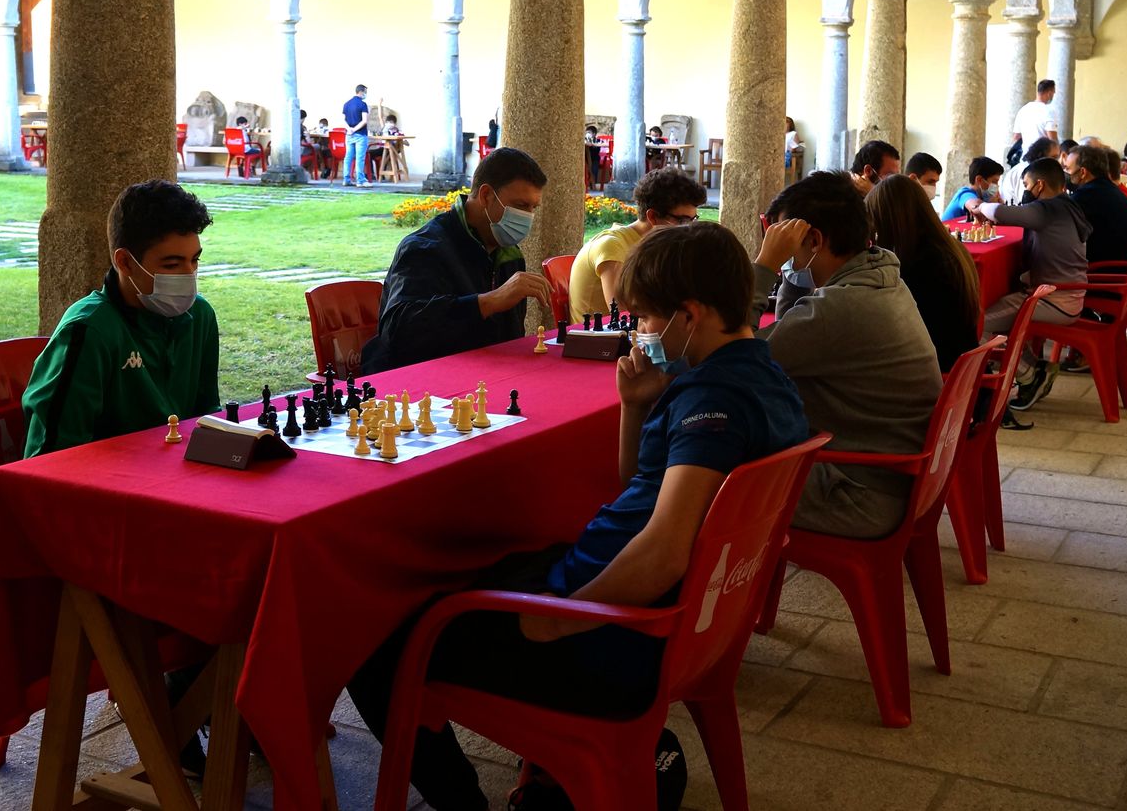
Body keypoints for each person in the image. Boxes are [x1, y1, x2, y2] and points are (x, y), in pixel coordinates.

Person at [346, 222, 809, 811]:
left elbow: (665, 549)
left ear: (690, 315)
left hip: (612, 635)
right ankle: (544, 767)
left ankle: (462, 802)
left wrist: (562, 619)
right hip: (672, 622)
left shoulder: (711, 402)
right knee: (493, 566)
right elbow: (639, 491)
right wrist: (636, 407)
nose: (639, 334)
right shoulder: (761, 376)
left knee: (375, 636)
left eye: (644, 318)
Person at [753, 172, 943, 539]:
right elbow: (792, 330)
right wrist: (794, 272)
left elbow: (733, 361)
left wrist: (765, 267)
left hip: (862, 493)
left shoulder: (839, 307)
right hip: (896, 476)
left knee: (708, 474)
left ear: (814, 239)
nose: (780, 251)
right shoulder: (883, 275)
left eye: (783, 240)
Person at [23, 180, 219, 458]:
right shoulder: (89, 330)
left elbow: (206, 416)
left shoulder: (200, 316)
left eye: (195, 260)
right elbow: (53, 454)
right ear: (125, 262)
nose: (189, 275)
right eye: (172, 265)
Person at [360, 147, 553, 373]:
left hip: (484, 378)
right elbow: (400, 330)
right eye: (521, 206)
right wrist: (488, 302)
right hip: (417, 386)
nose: (528, 217)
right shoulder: (425, 248)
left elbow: (506, 342)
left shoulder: (509, 254)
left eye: (533, 208)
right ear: (486, 196)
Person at [969, 157, 1092, 411]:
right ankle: (1032, 369)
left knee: (976, 324)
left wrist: (977, 204)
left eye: (1026, 184)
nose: (1025, 190)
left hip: (1054, 300)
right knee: (999, 311)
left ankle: (1030, 374)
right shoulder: (1069, 205)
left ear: (1039, 185)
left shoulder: (1048, 209)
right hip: (1067, 294)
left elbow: (1000, 212)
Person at [867, 175, 980, 373]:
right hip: (962, 372)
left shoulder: (921, 263)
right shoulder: (949, 248)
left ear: (889, 221)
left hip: (940, 375)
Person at [568, 168, 706, 319]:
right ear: (652, 216)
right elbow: (624, 314)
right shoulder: (612, 246)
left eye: (693, 220)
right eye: (682, 221)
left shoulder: (657, 247)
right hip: (598, 339)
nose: (689, 229)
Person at [1068, 145, 1127, 265]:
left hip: (1109, 273)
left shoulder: (1085, 197)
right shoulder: (1110, 190)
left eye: (1067, 169)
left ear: (1083, 172)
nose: (1066, 174)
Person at [940, 156, 1004, 221]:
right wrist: (992, 206)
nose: (997, 185)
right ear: (979, 180)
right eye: (994, 181)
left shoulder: (983, 197)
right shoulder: (965, 194)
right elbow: (975, 206)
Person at [1000, 136, 1057, 204]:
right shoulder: (1024, 171)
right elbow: (1024, 203)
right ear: (1041, 155)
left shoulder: (1036, 170)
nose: (1057, 162)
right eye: (1054, 157)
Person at [1013, 79, 1059, 148]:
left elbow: (1016, 137)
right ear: (1049, 93)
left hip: (1025, 156)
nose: (1053, 96)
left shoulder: (1023, 110)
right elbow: (1052, 140)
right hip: (1042, 157)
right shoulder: (1049, 111)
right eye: (1053, 93)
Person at [342, 84, 371, 188]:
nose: (366, 94)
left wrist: (349, 129)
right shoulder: (363, 105)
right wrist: (354, 129)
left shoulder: (346, 104)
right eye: (365, 92)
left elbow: (343, 119)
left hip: (349, 135)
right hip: (360, 134)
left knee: (348, 157)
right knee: (360, 158)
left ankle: (346, 179)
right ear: (362, 92)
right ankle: (360, 181)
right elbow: (364, 121)